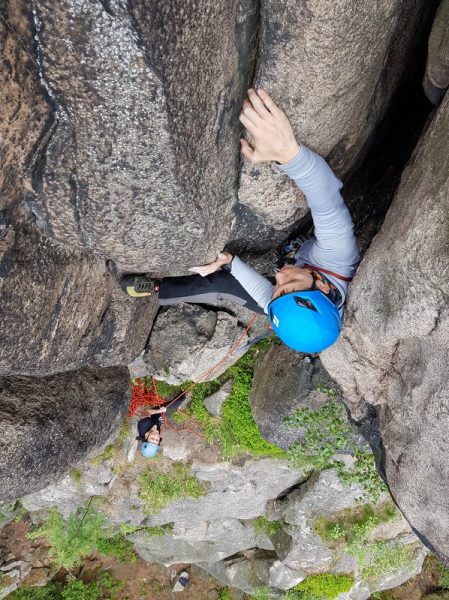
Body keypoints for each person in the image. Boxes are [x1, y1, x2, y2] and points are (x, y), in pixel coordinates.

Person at [122, 89, 361, 353]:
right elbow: (326, 200)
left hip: (300, 277)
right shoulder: (339, 256)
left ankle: (157, 288)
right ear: (324, 286)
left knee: (224, 284)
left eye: (276, 291)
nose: (278, 276)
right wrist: (288, 152)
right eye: (288, 284)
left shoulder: (291, 307)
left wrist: (230, 262)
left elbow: (264, 293)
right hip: (311, 254)